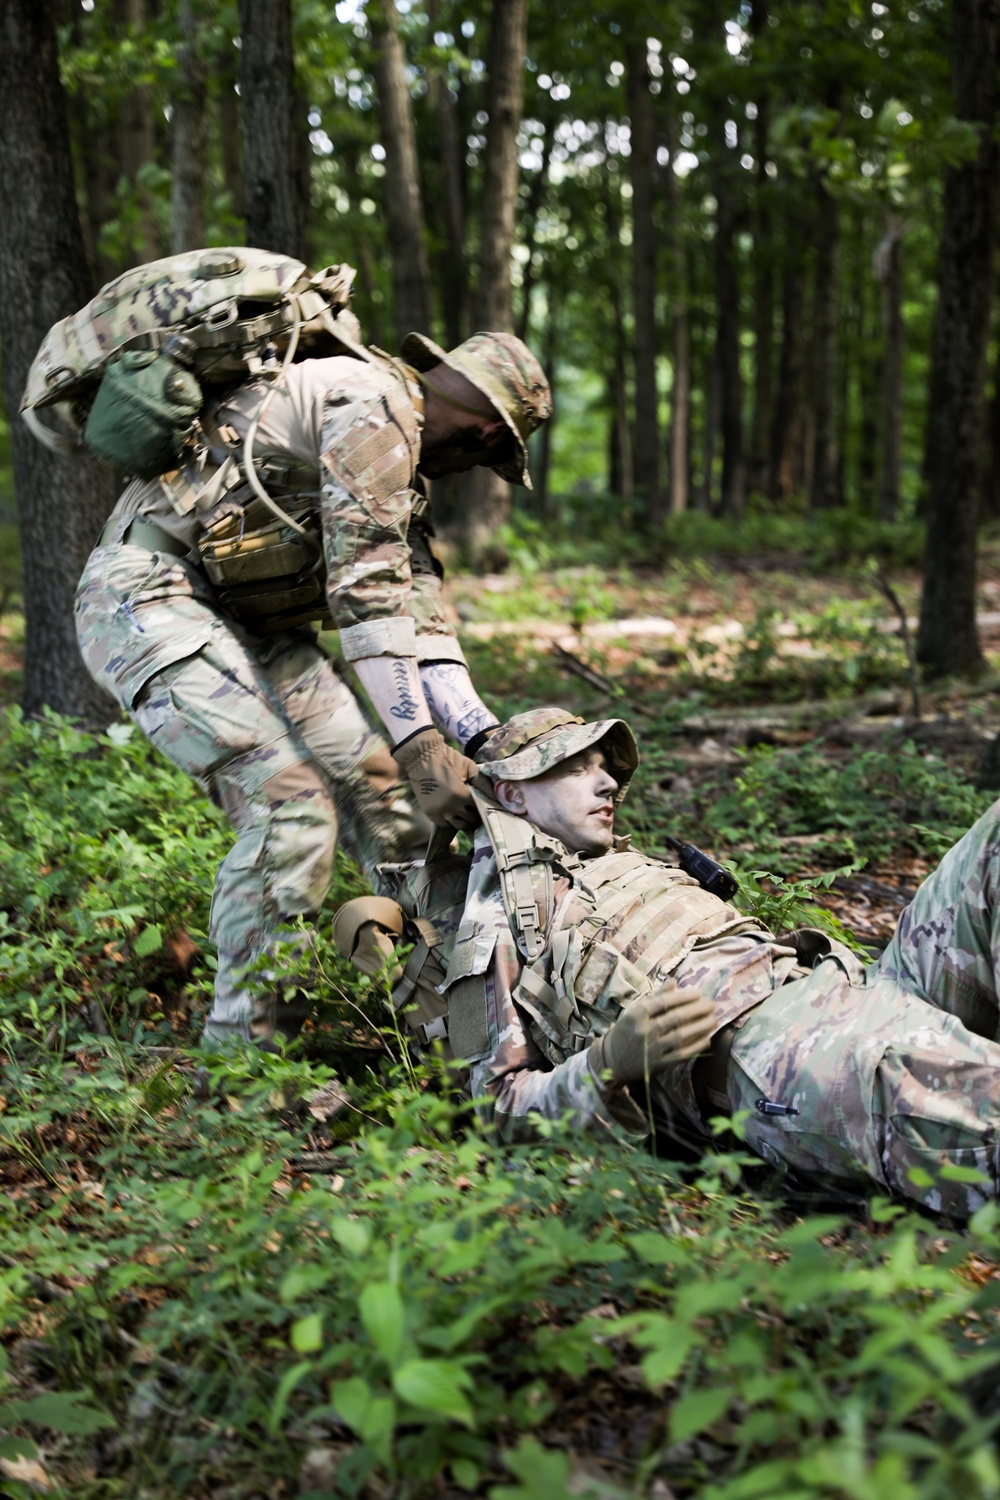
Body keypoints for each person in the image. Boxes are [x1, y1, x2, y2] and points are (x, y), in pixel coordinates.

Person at [71, 320, 551, 1050]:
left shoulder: (394, 455)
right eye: (487, 459)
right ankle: (245, 1064)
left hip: (250, 623)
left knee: (387, 797)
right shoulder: (373, 406)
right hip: (147, 594)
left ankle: (456, 1028)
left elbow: (420, 623)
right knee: (291, 804)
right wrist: (422, 742)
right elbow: (366, 596)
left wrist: (482, 739)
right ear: (488, 434)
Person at [343, 706, 1000, 1219]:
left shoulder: (626, 862)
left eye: (605, 765)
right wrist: (609, 1062)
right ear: (512, 797)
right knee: (954, 1094)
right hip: (766, 1056)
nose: (606, 781)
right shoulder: (498, 924)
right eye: (574, 767)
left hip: (855, 990)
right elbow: (498, 1109)